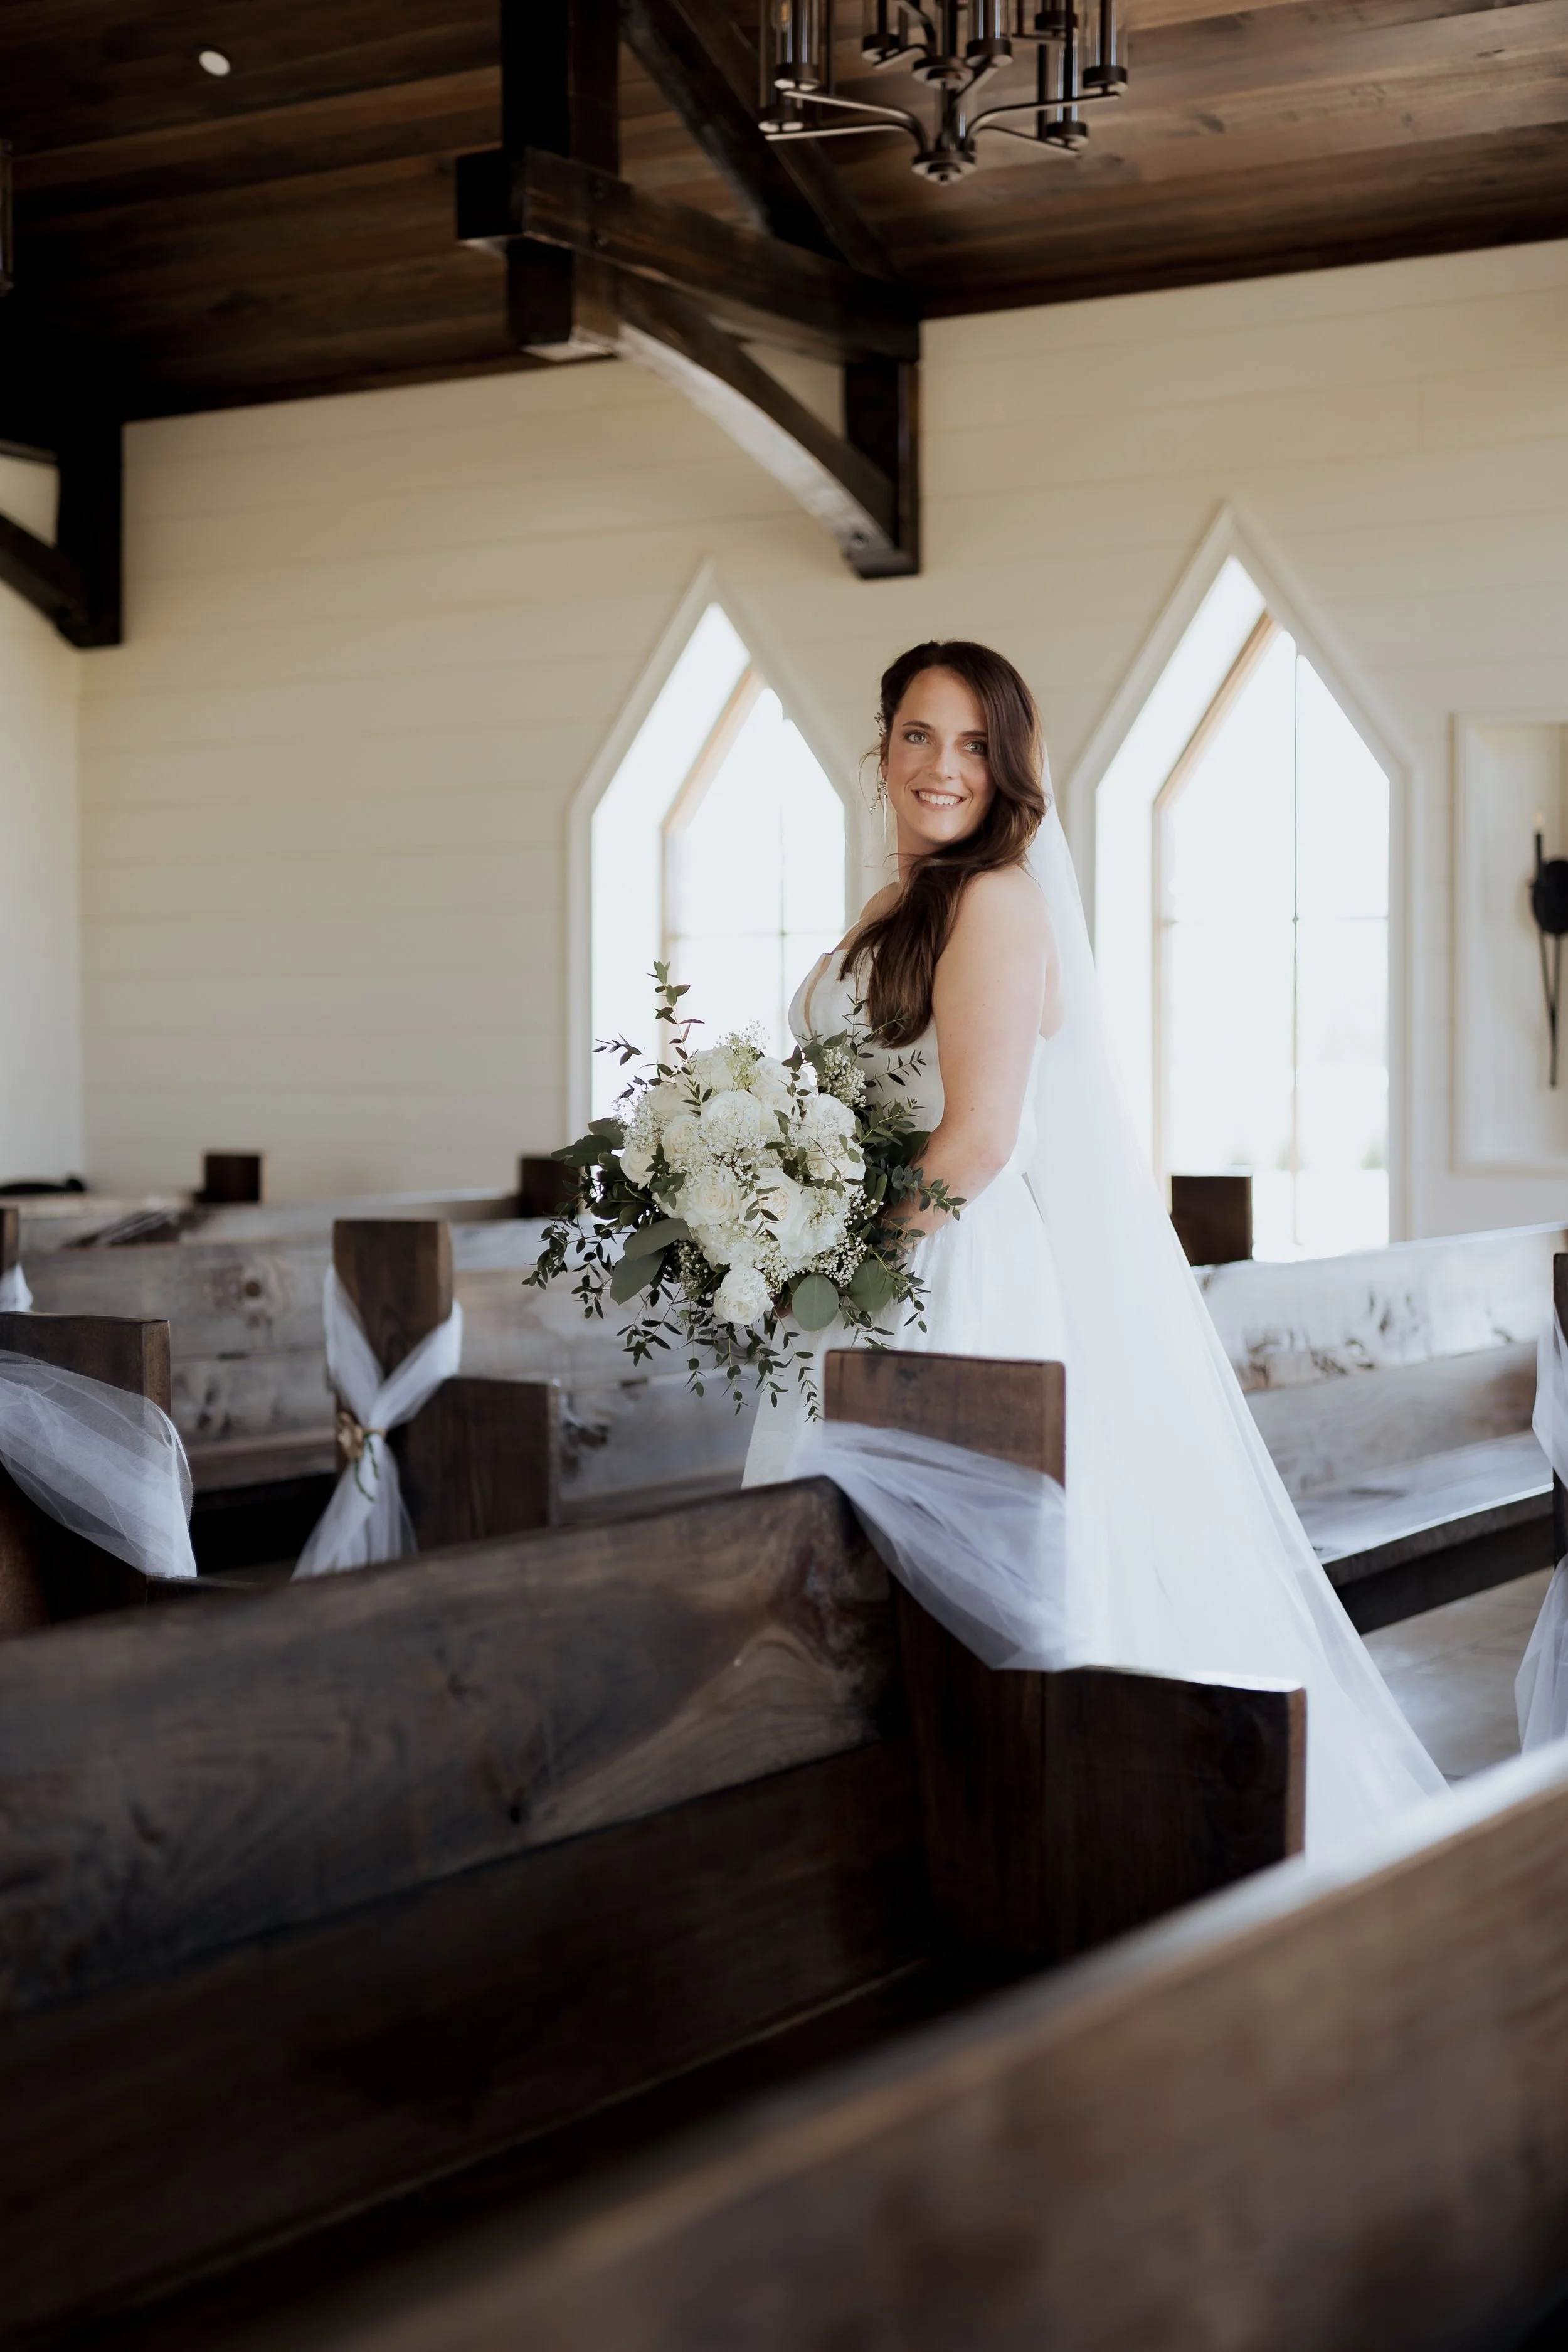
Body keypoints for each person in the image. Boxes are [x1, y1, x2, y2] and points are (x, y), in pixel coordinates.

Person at [744, 638, 1446, 1854]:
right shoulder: (888, 907)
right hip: (856, 1273)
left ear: (1007, 765)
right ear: (880, 748)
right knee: (848, 1570)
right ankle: (882, 1849)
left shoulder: (996, 901)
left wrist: (820, 1258)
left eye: (971, 743)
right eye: (917, 734)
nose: (940, 766)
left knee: (967, 1574)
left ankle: (1031, 1842)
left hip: (943, 1275)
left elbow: (972, 1141)